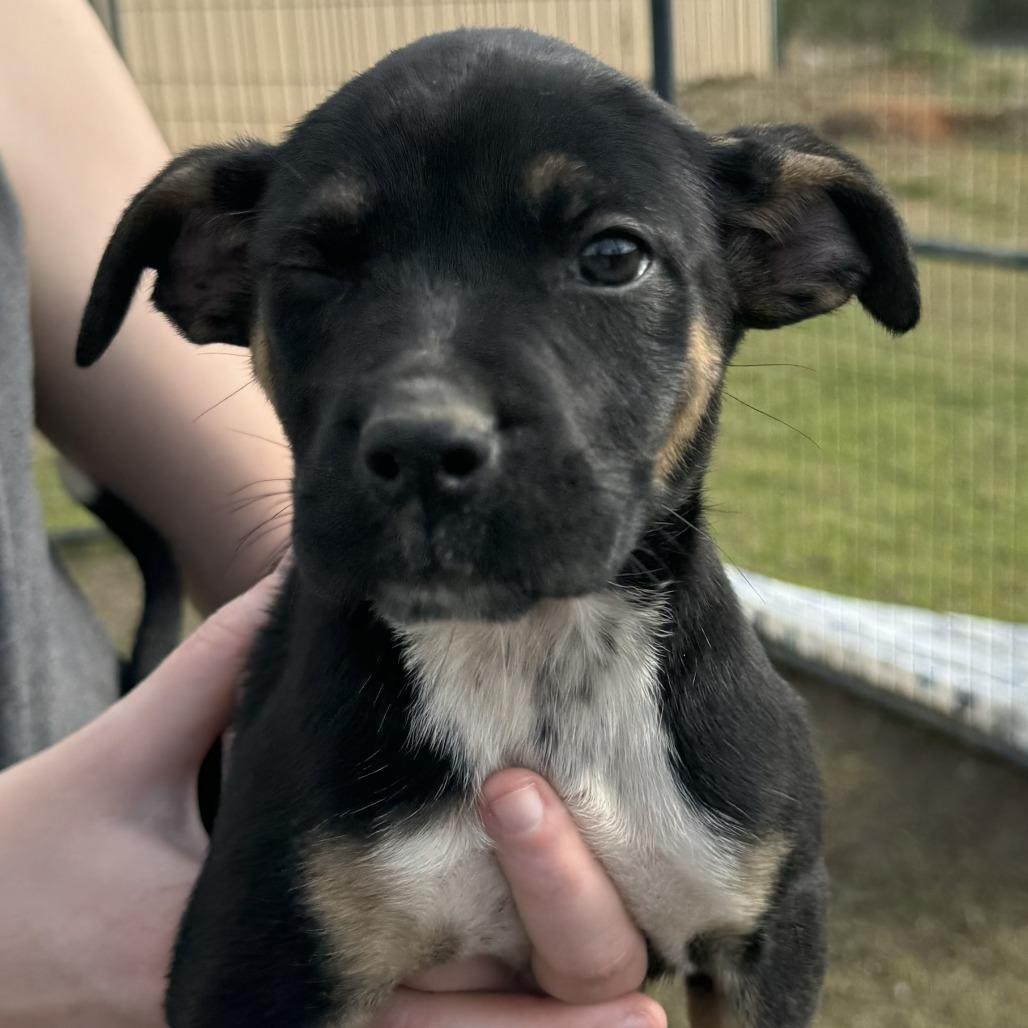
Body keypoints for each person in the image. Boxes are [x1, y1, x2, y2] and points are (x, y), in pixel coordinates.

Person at [0, 2, 666, 1025]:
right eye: (318, 266)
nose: (433, 411)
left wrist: (301, 585)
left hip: (98, 783)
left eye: (605, 260)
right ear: (204, 281)